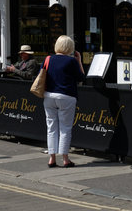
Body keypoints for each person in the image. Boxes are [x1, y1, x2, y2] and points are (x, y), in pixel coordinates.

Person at [43, 35, 85, 168]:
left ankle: (52, 158)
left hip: (49, 96)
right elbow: (81, 78)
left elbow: (41, 75)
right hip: (66, 96)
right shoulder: (71, 61)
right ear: (70, 47)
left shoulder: (48, 59)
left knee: (51, 127)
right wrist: (79, 61)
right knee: (65, 128)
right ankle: (65, 159)